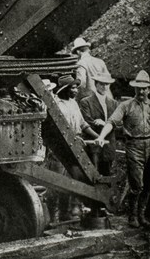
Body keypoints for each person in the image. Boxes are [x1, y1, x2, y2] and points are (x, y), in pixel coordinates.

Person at [96, 70, 150, 228]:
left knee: (148, 183)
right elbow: (111, 122)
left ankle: (142, 215)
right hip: (134, 147)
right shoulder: (126, 106)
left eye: (144, 88)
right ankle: (132, 215)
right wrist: (101, 136)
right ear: (134, 89)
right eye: (138, 88)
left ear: (149, 89)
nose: (141, 91)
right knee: (137, 184)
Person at [51, 74, 99, 220]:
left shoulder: (73, 103)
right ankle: (52, 215)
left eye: (76, 87)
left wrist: (98, 137)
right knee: (56, 181)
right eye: (73, 88)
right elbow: (56, 128)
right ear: (65, 89)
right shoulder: (56, 104)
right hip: (60, 148)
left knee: (75, 179)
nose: (76, 90)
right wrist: (73, 137)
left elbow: (83, 124)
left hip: (76, 147)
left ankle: (68, 213)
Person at [79, 73, 117, 176]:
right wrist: (101, 125)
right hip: (93, 145)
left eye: (107, 84)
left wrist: (104, 123)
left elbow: (118, 124)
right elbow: (87, 121)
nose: (104, 87)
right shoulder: (86, 102)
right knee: (91, 175)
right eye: (101, 84)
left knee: (106, 175)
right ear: (96, 85)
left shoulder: (113, 103)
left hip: (108, 145)